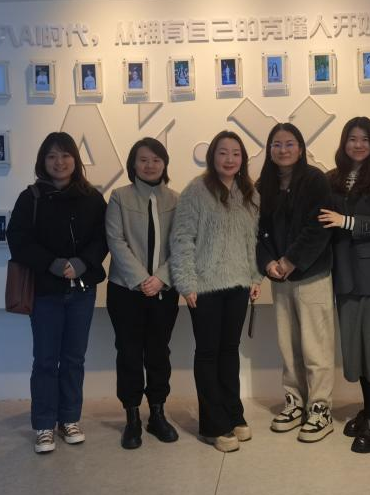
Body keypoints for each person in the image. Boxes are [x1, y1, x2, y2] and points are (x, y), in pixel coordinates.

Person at [7, 132, 108, 454]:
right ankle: (43, 425)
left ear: (75, 160)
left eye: (65, 155)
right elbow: (18, 240)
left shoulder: (92, 198)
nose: (59, 162)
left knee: (74, 359)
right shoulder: (31, 198)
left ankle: (69, 419)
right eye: (52, 156)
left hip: (82, 291)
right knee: (46, 360)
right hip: (45, 292)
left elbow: (103, 238)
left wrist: (82, 262)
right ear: (43, 161)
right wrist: (51, 263)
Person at [170, 131, 262, 453]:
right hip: (205, 287)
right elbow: (182, 239)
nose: (229, 159)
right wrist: (186, 283)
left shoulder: (250, 193)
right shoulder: (196, 190)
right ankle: (212, 425)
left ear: (243, 158)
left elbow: (252, 241)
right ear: (212, 156)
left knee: (229, 351)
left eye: (236, 153)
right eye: (223, 152)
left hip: (238, 285)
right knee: (208, 353)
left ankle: (233, 414)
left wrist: (255, 277)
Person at [319, 117, 370, 453]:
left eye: (365, 139)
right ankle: (368, 411)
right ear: (344, 142)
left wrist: (348, 222)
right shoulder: (331, 179)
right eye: (352, 138)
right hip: (343, 272)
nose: (358, 145)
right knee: (355, 348)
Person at [256, 123, 335, 443]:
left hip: (312, 275)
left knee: (316, 347)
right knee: (288, 346)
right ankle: (295, 401)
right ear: (269, 150)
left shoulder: (316, 180)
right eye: (277, 144)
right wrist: (268, 263)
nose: (283, 150)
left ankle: (320, 408)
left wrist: (290, 260)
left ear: (301, 148)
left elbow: (320, 226)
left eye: (289, 144)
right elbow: (257, 232)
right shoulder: (263, 185)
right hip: (280, 279)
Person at [105, 138, 182, 450]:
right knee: (129, 352)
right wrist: (141, 280)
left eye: (156, 160)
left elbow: (182, 244)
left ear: (165, 164)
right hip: (126, 290)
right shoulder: (119, 197)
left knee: (159, 352)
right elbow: (115, 241)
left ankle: (157, 414)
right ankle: (132, 417)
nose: (150, 165)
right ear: (133, 164)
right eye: (143, 160)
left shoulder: (176, 200)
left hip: (164, 291)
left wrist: (161, 278)